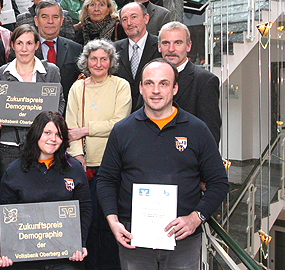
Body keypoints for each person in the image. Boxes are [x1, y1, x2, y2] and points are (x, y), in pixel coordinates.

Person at [96, 59, 228, 269]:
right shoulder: (122, 130)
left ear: (175, 88)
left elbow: (219, 182)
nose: (155, 90)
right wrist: (112, 220)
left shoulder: (197, 130)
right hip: (134, 238)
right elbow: (105, 180)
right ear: (140, 88)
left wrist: (196, 218)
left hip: (183, 239)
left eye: (164, 83)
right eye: (149, 83)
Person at [0, 111, 92, 269]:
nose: (53, 139)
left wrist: (79, 243)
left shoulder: (74, 169)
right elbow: (4, 214)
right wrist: (3, 248)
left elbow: (85, 209)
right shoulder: (14, 171)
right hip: (26, 259)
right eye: (47, 133)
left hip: (65, 258)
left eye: (58, 134)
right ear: (36, 133)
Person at [66, 39, 132, 270]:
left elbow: (119, 124)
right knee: (88, 223)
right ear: (86, 61)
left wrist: (86, 130)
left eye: (104, 59)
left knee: (111, 223)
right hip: (85, 168)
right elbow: (70, 126)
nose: (98, 63)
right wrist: (77, 157)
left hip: (113, 167)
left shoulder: (121, 86)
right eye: (93, 58)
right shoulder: (78, 87)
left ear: (111, 62)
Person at [0, 25, 65, 176]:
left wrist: (51, 122)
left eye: (29, 43)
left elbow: (60, 102)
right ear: (12, 45)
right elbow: (1, 105)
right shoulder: (3, 72)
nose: (24, 49)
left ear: (37, 45)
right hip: (9, 145)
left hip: (42, 145)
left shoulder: (51, 71)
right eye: (19, 43)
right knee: (10, 191)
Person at [159, 21, 221, 144]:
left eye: (178, 43)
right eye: (166, 43)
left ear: (188, 46)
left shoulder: (205, 81)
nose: (171, 49)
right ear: (159, 47)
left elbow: (210, 134)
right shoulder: (150, 77)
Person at [114, 2, 161, 111]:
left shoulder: (161, 46)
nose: (129, 23)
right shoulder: (113, 49)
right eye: (124, 19)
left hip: (154, 113)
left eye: (134, 17)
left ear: (146, 18)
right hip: (122, 115)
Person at [33, 0, 82, 101]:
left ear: (61, 21)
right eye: (45, 17)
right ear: (36, 21)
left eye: (55, 17)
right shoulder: (25, 49)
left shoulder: (76, 49)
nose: (50, 21)